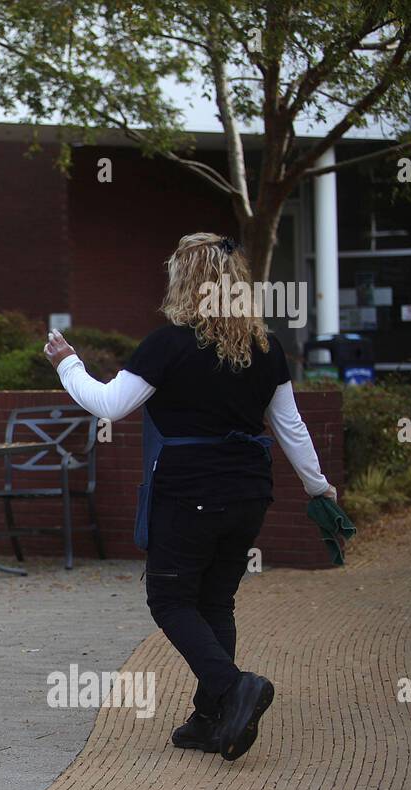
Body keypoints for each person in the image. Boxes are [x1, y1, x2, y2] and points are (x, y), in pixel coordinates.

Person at [44, 232, 335, 762]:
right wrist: (320, 490)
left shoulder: (169, 344)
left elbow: (109, 405)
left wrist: (67, 362)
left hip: (188, 494)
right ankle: (210, 719)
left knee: (170, 600)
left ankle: (234, 686)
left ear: (185, 280)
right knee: (215, 601)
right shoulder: (265, 348)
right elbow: (291, 428)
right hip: (250, 493)